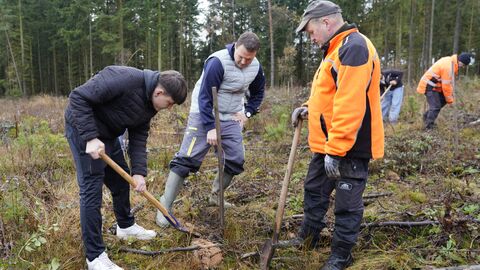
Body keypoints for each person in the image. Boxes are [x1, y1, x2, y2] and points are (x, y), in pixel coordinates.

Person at [64, 66, 187, 270]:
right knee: (91, 191)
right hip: (82, 130)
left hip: (109, 135)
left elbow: (138, 136)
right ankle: (94, 257)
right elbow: (78, 97)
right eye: (170, 103)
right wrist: (91, 138)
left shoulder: (150, 105)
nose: (170, 108)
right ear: (159, 92)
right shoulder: (122, 78)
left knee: (121, 181)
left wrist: (139, 172)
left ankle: (126, 226)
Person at [291, 1, 384, 269]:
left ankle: (341, 256)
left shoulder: (354, 48)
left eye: (311, 31)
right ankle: (307, 239)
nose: (311, 38)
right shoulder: (335, 49)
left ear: (327, 22)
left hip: (349, 146)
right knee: (314, 191)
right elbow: (331, 95)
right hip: (328, 143)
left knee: (346, 204)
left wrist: (337, 149)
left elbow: (350, 102)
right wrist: (308, 109)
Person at [155, 31, 265, 227]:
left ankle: (216, 196)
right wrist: (210, 127)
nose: (243, 62)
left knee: (236, 159)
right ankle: (164, 208)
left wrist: (247, 113)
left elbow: (258, 93)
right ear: (235, 46)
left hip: (230, 116)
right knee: (186, 159)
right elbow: (204, 97)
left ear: (255, 54)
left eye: (248, 59)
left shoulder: (255, 67)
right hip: (203, 113)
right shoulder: (217, 62)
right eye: (240, 57)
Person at [417, 52, 474, 129]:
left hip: (436, 86)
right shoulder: (449, 67)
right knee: (436, 106)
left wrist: (448, 98)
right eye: (463, 65)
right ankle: (428, 126)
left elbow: (447, 83)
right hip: (429, 86)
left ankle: (426, 117)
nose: (462, 67)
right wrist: (450, 99)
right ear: (460, 61)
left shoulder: (450, 61)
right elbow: (446, 86)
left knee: (441, 101)